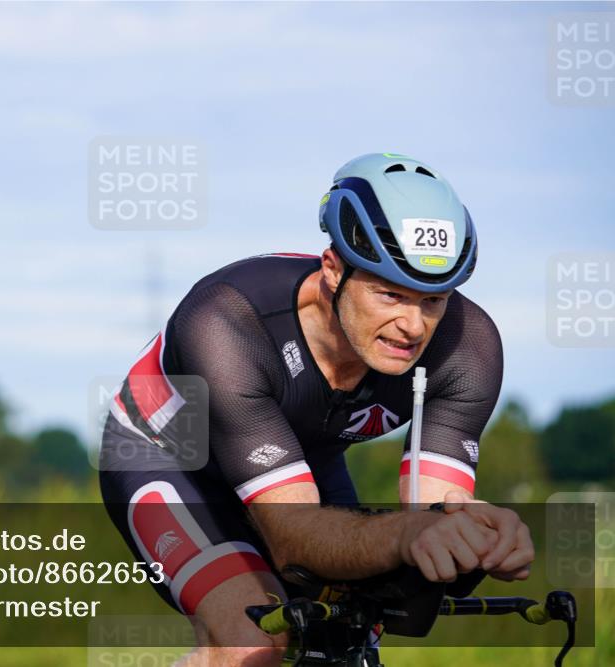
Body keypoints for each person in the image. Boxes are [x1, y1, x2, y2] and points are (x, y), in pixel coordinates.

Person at [98, 153, 535, 666]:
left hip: (300, 461)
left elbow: (434, 513)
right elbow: (295, 540)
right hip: (168, 457)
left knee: (346, 635)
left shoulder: (468, 347)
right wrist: (413, 534)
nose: (413, 326)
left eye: (433, 300)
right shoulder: (226, 321)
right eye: (389, 294)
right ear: (333, 271)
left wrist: (481, 540)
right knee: (251, 638)